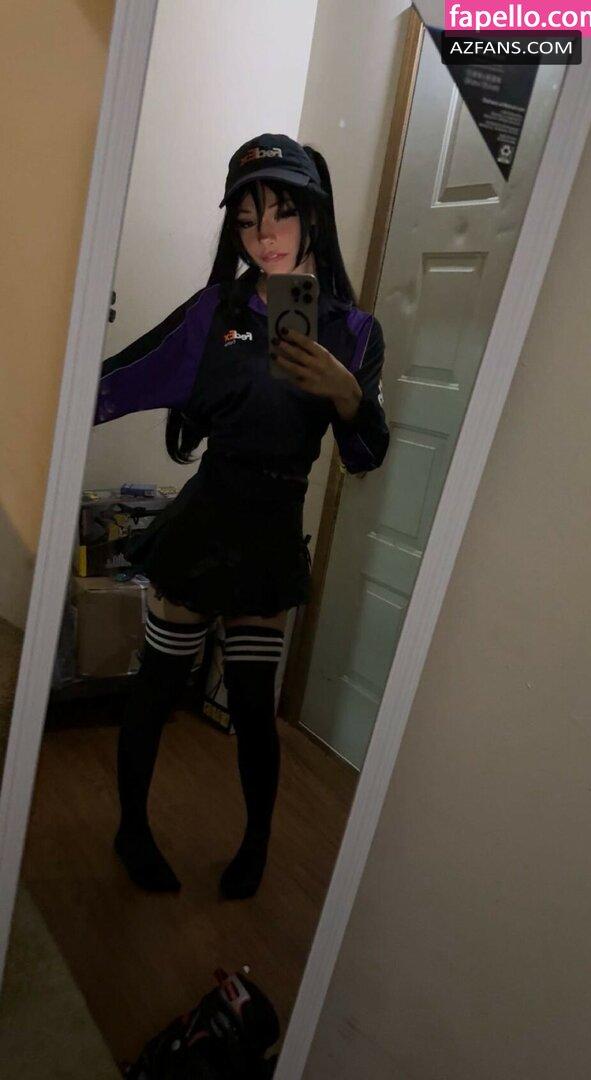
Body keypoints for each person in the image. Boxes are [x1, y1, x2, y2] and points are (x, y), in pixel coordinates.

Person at [93, 133, 390, 900]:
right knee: (160, 683)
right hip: (206, 520)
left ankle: (255, 844)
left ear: (313, 215)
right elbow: (112, 384)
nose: (264, 235)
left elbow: (364, 455)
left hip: (270, 529)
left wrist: (346, 395)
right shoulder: (213, 313)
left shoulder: (352, 332)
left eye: (281, 212)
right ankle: (131, 830)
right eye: (248, 218)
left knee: (253, 705)